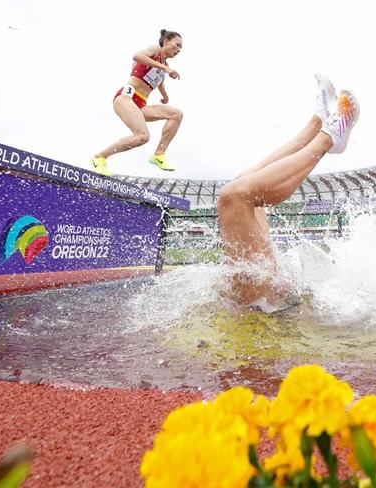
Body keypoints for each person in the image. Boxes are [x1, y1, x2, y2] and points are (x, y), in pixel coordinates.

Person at [217, 72, 360, 309]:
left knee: (242, 183)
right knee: (234, 196)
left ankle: (315, 126)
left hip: (254, 295)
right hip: (256, 306)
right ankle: (327, 139)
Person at [91, 29, 183, 176]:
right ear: (166, 41)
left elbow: (159, 82)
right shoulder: (155, 50)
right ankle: (99, 157)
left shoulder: (162, 67)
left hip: (141, 104)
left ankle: (159, 155)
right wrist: (165, 68)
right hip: (125, 98)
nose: (178, 50)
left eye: (180, 48)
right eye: (177, 45)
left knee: (176, 114)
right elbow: (137, 56)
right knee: (142, 136)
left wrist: (164, 96)